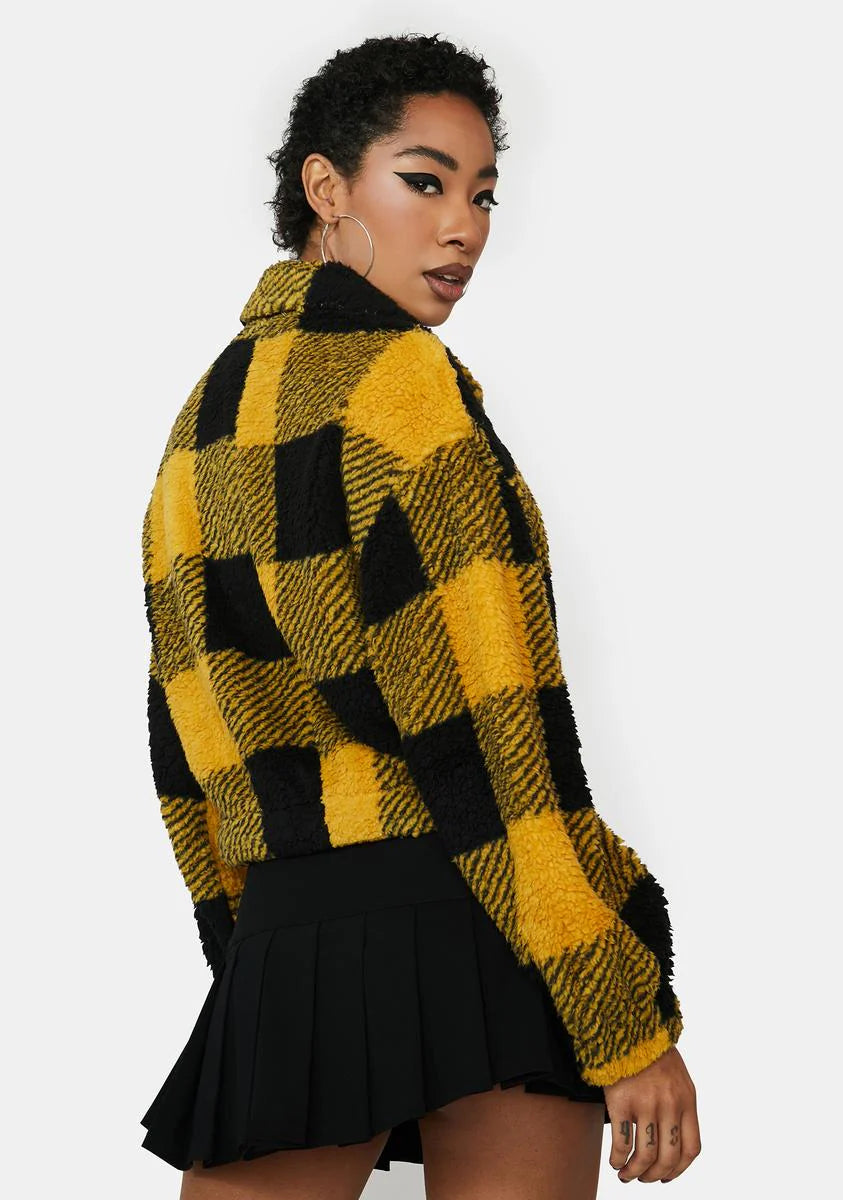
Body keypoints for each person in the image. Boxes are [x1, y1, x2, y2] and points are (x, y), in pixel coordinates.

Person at [139, 32, 701, 1200]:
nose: (464, 228)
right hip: (476, 915)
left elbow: (187, 742)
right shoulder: (404, 389)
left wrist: (251, 954)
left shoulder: (202, 423)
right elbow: (494, 740)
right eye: (425, 181)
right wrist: (617, 1015)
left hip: (293, 924)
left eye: (483, 193)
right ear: (326, 186)